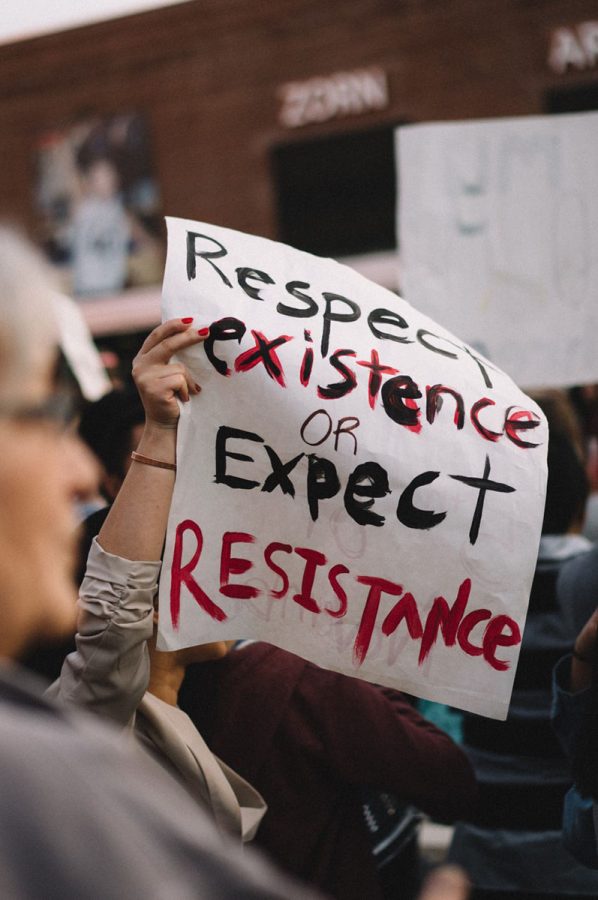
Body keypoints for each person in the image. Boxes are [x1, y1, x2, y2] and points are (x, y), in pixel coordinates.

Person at [69, 332, 478, 899]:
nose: (221, 582)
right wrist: (161, 434)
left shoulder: (179, 708)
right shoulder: (98, 723)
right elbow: (114, 605)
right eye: (194, 565)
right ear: (147, 603)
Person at [0, 225, 323, 899]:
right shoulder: (35, 772)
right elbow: (113, 619)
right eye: (40, 416)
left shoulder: (78, 729)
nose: (81, 474)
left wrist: (164, 428)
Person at [448, 427, 598, 899]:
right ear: (578, 494)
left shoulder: (459, 579)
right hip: (573, 840)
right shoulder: (586, 582)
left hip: (482, 834)